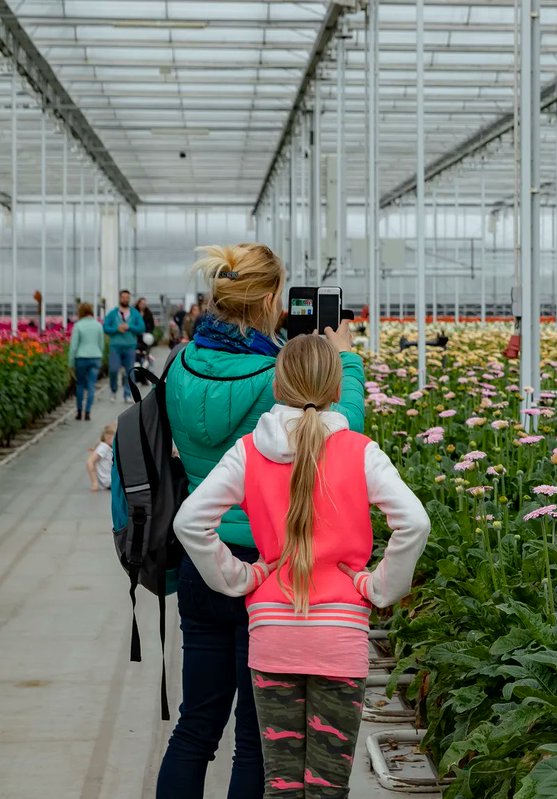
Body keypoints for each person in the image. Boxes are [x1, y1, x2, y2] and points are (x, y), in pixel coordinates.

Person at [173, 335, 430, 798]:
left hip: (272, 631)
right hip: (340, 633)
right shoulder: (360, 450)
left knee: (281, 783)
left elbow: (190, 522)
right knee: (327, 787)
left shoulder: (249, 450)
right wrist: (379, 588)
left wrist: (242, 577)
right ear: (335, 387)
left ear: (278, 382)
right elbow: (414, 522)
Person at [158, 244, 366, 799]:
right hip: (270, 565)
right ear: (272, 297)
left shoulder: (178, 364)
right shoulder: (272, 375)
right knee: (256, 738)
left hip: (202, 557)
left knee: (196, 724)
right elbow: (336, 438)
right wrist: (344, 360)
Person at [103, 289, 147, 403]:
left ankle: (127, 393)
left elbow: (142, 327)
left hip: (130, 346)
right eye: (123, 297)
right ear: (120, 298)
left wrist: (130, 327)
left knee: (129, 371)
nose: (125, 299)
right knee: (113, 369)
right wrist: (116, 329)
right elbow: (105, 327)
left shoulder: (134, 313)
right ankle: (113, 390)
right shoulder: (113, 313)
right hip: (115, 346)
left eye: (127, 297)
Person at [68, 302, 104, 421]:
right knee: (91, 385)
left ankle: (79, 411)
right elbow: (101, 344)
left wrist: (70, 363)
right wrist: (100, 355)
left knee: (80, 385)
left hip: (81, 358)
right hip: (95, 357)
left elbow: (73, 346)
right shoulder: (98, 325)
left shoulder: (78, 326)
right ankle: (88, 412)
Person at [86, 423, 116, 492]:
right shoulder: (103, 447)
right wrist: (94, 482)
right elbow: (90, 462)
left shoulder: (106, 447)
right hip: (109, 481)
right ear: (107, 437)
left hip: (110, 480)